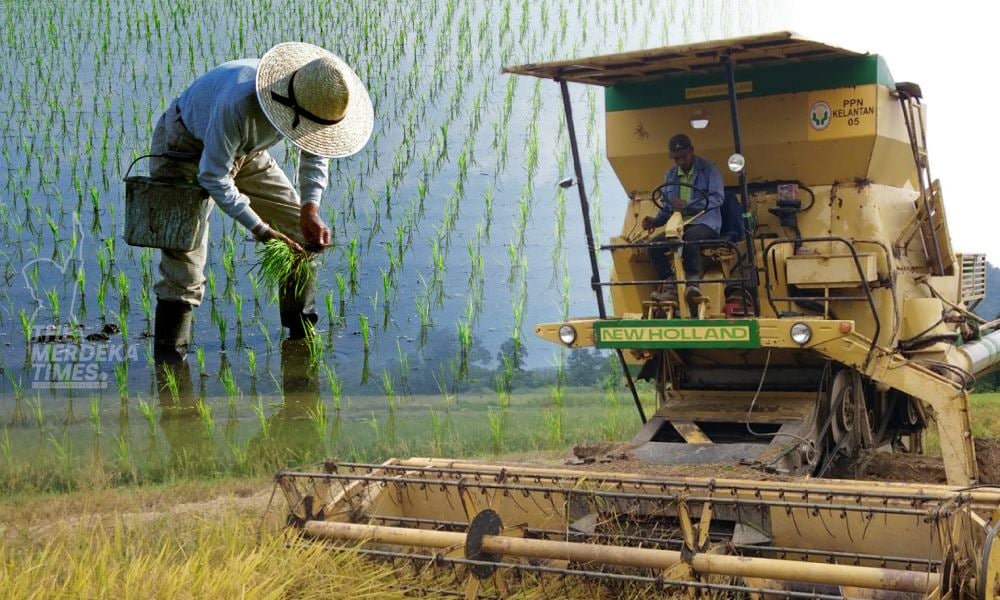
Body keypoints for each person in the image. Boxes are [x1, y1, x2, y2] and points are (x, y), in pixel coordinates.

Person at [149, 42, 373, 363]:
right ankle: (170, 364)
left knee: (299, 233)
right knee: (184, 265)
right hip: (183, 148)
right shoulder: (239, 103)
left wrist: (310, 208)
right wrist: (262, 231)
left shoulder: (314, 101)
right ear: (291, 108)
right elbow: (213, 177)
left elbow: (314, 149)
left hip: (245, 151)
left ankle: (300, 334)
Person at [641, 134, 724, 305]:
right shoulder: (670, 176)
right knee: (654, 247)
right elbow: (667, 208)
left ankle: (693, 283)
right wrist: (655, 222)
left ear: (692, 150)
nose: (680, 161)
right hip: (679, 225)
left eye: (683, 157)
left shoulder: (709, 170)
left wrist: (688, 205)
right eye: (676, 158)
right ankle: (670, 285)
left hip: (705, 222)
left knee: (689, 238)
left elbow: (717, 198)